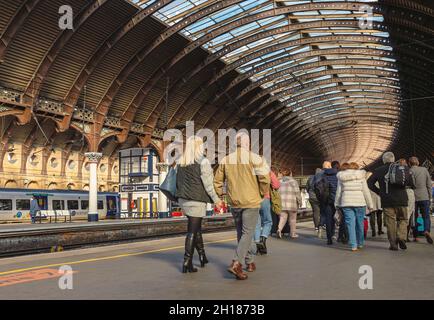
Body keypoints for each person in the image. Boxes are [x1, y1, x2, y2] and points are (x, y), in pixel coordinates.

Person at [214, 132, 270, 280]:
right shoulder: (255, 158)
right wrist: (263, 192)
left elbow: (217, 181)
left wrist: (219, 196)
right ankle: (236, 262)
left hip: (234, 202)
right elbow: (265, 178)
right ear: (248, 143)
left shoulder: (226, 160)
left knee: (242, 233)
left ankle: (250, 262)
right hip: (251, 201)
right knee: (247, 233)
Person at [176, 136, 223, 273]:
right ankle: (187, 261)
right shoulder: (203, 162)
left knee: (196, 229)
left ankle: (202, 256)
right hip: (196, 201)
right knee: (192, 231)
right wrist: (217, 200)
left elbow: (178, 182)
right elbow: (208, 185)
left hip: (184, 200)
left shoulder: (181, 162)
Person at [367, 152, 414, 251]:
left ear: (384, 160)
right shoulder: (402, 169)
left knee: (390, 222)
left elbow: (369, 183)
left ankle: (393, 244)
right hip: (402, 199)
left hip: (387, 200)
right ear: (393, 159)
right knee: (403, 219)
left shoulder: (378, 170)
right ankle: (401, 237)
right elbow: (410, 183)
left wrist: (379, 192)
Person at [335, 162, 373, 251]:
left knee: (350, 225)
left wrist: (336, 203)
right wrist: (370, 204)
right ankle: (360, 243)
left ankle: (353, 245)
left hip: (346, 203)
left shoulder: (342, 177)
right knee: (360, 223)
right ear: (356, 168)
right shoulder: (361, 176)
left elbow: (338, 192)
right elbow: (366, 191)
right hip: (360, 203)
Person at [254, 164, 280, 255]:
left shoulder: (251, 171)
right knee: (268, 221)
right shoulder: (268, 171)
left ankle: (257, 245)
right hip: (265, 198)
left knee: (256, 224)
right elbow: (276, 185)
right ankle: (263, 239)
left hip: (254, 200)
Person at [409, 156, 433, 244]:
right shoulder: (424, 170)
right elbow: (429, 185)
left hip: (414, 197)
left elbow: (412, 184)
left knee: (414, 217)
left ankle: (415, 237)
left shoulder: (409, 171)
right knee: (426, 216)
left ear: (409, 163)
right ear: (418, 162)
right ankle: (426, 230)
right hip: (424, 196)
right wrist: (430, 197)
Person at [315, 160, 339, 245]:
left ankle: (329, 238)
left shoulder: (319, 175)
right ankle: (342, 236)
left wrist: (320, 199)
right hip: (336, 199)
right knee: (339, 217)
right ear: (330, 166)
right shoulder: (337, 173)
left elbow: (316, 188)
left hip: (326, 199)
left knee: (328, 218)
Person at [277, 168, 302, 239]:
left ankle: (279, 229)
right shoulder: (293, 181)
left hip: (282, 203)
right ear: (290, 174)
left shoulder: (279, 181)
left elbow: (277, 192)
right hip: (292, 203)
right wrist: (300, 201)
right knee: (293, 219)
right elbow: (297, 193)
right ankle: (293, 234)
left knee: (282, 218)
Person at [365, 171, 384, 237]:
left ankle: (373, 231)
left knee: (372, 216)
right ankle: (379, 230)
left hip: (371, 200)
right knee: (379, 215)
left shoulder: (366, 182)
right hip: (378, 200)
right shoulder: (377, 181)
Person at [306, 168, 322, 234]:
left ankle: (316, 226)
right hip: (320, 197)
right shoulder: (322, 177)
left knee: (315, 212)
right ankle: (322, 225)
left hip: (312, 197)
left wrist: (310, 193)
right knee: (322, 211)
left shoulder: (310, 178)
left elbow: (307, 187)